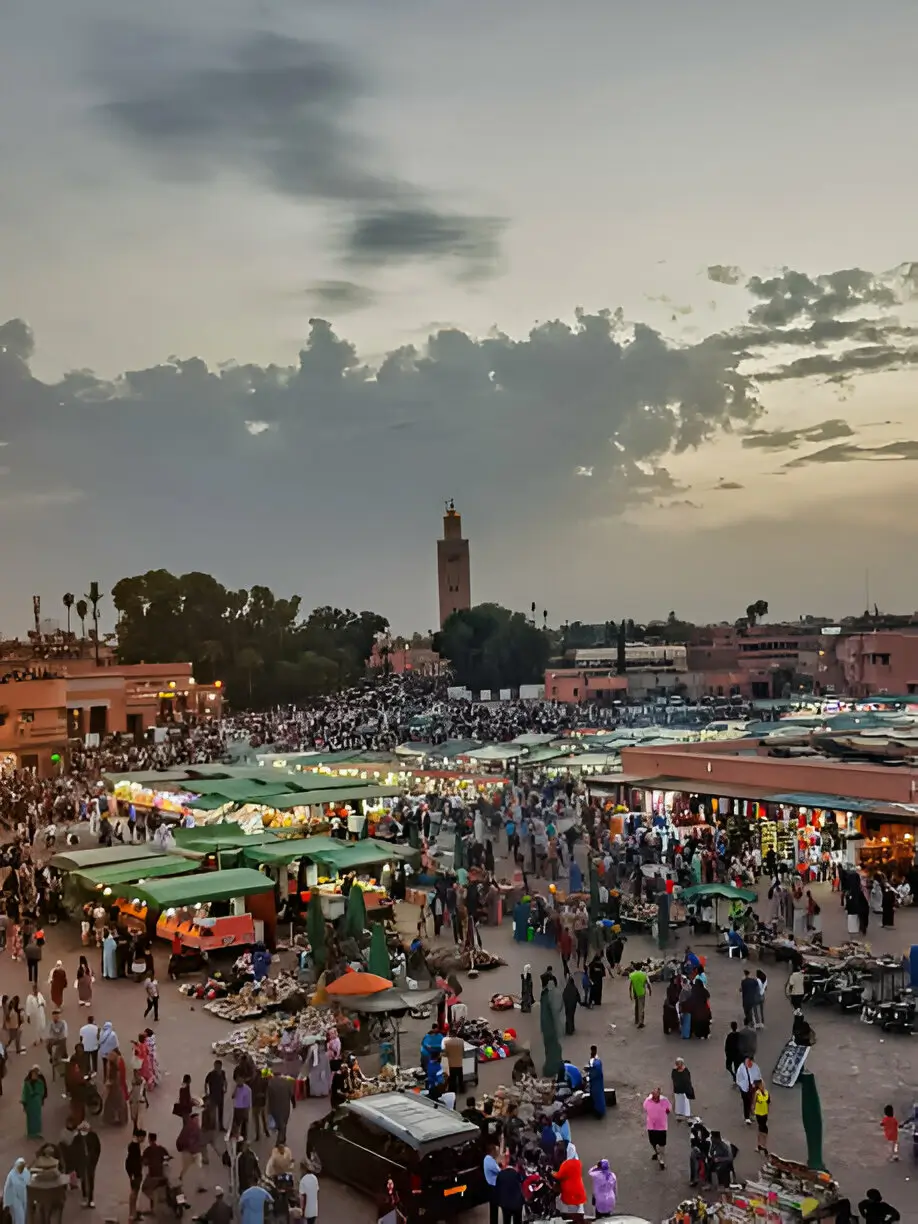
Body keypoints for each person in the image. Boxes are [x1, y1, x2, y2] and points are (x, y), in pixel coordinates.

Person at [73, 1120, 102, 1208]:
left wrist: (94, 1159)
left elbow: (97, 1148)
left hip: (91, 1161)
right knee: (83, 1179)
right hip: (82, 1161)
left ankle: (91, 1198)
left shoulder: (93, 1136)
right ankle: (85, 1196)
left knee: (90, 1178)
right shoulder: (77, 1138)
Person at [140, 1131, 170, 1215]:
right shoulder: (161, 1149)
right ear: (156, 1139)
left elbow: (144, 1162)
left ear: (149, 1140)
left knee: (145, 1188)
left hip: (153, 1175)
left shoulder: (148, 1150)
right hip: (161, 1174)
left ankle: (153, 1204)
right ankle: (159, 1200)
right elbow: (167, 1158)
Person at [553, 1141, 586, 1215]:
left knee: (569, 1208)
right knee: (579, 1207)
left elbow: (558, 1175)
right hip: (578, 1187)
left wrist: (551, 1172)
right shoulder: (577, 1163)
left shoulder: (566, 1165)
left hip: (569, 1190)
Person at [642, 1087, 672, 1169]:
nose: (655, 1097)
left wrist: (663, 1114)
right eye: (654, 1095)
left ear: (659, 1094)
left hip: (662, 1127)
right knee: (652, 1142)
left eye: (657, 1095)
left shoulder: (665, 1100)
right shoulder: (647, 1101)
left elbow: (669, 1109)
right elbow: (645, 1108)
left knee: (662, 1144)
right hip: (651, 1127)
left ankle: (661, 1160)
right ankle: (657, 1153)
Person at [494, 1156, 525, 1224]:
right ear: (515, 1165)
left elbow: (497, 1189)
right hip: (517, 1203)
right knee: (517, 1221)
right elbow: (523, 1185)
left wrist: (499, 1201)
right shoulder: (517, 1174)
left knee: (506, 1221)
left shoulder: (500, 1174)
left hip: (505, 1204)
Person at [735, 1056, 762, 1125]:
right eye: (748, 1061)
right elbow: (738, 1080)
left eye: (750, 1061)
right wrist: (743, 1085)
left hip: (753, 1088)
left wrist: (755, 1083)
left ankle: (752, 1113)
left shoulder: (755, 1067)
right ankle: (747, 1117)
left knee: (753, 1101)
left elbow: (758, 1076)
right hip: (745, 1089)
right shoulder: (741, 1069)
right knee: (746, 1103)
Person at [21, 1064, 46, 1139]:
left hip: (36, 1103)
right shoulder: (27, 1083)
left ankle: (37, 1132)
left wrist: (41, 1098)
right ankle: (31, 1133)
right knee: (30, 1118)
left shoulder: (40, 1082)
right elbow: (24, 1093)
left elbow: (42, 1091)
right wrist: (24, 1103)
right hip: (30, 1103)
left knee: (37, 1118)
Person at [2, 1158, 30, 1224]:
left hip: (24, 1197)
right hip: (15, 1199)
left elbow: (29, 1184)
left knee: (25, 1215)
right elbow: (7, 1188)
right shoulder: (11, 1175)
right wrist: (6, 1203)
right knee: (19, 1216)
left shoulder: (26, 1173)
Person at [126, 1129, 144, 1223]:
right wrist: (132, 1174)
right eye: (143, 1138)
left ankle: (133, 1213)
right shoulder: (134, 1147)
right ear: (140, 1137)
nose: (144, 1140)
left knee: (135, 1193)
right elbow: (131, 1162)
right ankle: (132, 1214)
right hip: (135, 1173)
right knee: (134, 1193)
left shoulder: (134, 1146)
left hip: (135, 1173)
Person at [205, 1059, 227, 1132]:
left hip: (220, 1095)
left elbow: (225, 1081)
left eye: (218, 1066)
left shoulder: (223, 1073)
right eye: (215, 1066)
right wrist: (206, 1093)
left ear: (220, 1066)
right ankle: (212, 1126)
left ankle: (221, 1126)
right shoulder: (211, 1074)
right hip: (213, 1095)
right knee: (212, 1112)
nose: (216, 1067)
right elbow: (206, 1083)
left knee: (221, 1111)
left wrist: (225, 1088)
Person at [24, 983, 48, 1048]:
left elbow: (44, 1002)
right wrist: (28, 1015)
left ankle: (41, 1037)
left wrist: (43, 1004)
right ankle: (36, 1040)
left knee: (42, 1025)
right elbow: (28, 1006)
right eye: (35, 989)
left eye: (37, 988)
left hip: (41, 1012)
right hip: (34, 1014)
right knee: (35, 1027)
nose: (36, 990)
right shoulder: (30, 998)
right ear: (33, 989)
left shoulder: (40, 995)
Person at [442, 1031, 465, 1095]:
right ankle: (462, 1090)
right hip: (459, 1063)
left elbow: (446, 1053)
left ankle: (453, 1090)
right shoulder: (461, 1041)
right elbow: (463, 1051)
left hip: (451, 1063)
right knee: (460, 1078)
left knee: (452, 1078)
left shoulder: (446, 1042)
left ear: (450, 1034)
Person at [483, 1143, 501, 1224]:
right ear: (492, 1151)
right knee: (494, 1208)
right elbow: (499, 1171)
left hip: (492, 1186)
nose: (496, 1153)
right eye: (496, 1151)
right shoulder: (489, 1159)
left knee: (494, 1207)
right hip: (492, 1187)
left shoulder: (490, 1159)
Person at [587, 1046, 606, 1119]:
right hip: (597, 1081)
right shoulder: (597, 1060)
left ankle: (598, 1112)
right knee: (599, 1095)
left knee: (597, 1096)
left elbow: (593, 1071)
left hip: (595, 1082)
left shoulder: (595, 1062)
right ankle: (599, 1110)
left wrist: (589, 1075)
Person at [754, 1080, 770, 1153]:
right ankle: (760, 1145)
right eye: (761, 1085)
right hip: (759, 1113)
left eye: (763, 1085)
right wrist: (753, 1110)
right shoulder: (757, 1093)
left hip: (764, 1113)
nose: (763, 1086)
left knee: (763, 1129)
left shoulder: (767, 1093)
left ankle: (762, 1145)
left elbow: (768, 1102)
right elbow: (754, 1102)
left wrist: (767, 1110)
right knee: (761, 1128)